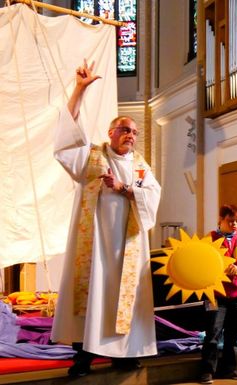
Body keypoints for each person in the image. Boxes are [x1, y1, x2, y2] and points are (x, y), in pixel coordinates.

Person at [50, 60, 161, 377]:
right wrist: (80, 90)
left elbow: (152, 196)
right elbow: (66, 137)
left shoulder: (141, 166)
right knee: (92, 295)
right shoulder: (92, 156)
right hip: (96, 247)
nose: (132, 136)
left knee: (125, 299)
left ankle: (124, 354)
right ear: (111, 132)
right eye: (126, 130)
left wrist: (125, 188)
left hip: (128, 246)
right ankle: (83, 357)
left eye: (135, 132)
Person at [200, 204, 237, 384]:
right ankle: (207, 371)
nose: (234, 224)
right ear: (221, 220)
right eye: (230, 220)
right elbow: (201, 262)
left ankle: (229, 369)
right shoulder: (210, 239)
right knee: (212, 334)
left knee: (234, 335)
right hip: (216, 295)